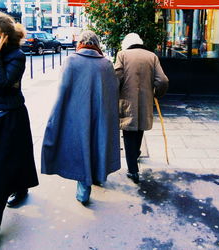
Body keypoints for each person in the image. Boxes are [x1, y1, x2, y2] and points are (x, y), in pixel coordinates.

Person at [0, 11, 39, 244]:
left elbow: (3, 84)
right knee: (0, 164)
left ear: (2, 36)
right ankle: (21, 187)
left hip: (9, 118)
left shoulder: (16, 56)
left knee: (0, 170)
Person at [41, 30, 120, 205]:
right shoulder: (106, 64)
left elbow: (63, 90)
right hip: (100, 114)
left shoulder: (71, 61)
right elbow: (113, 90)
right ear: (97, 45)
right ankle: (96, 177)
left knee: (81, 148)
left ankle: (84, 188)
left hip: (76, 114)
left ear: (80, 44)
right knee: (97, 144)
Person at [114, 33, 169, 184]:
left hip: (127, 102)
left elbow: (116, 77)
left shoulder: (122, 55)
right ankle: (136, 154)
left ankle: (133, 170)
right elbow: (163, 80)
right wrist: (157, 94)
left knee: (128, 133)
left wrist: (114, 95)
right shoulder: (152, 57)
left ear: (126, 44)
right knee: (139, 131)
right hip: (145, 102)